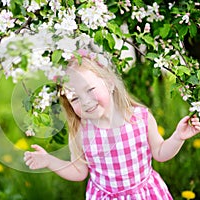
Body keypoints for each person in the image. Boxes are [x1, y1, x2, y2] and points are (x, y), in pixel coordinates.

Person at [23, 52, 200, 199]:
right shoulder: (80, 132)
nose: (85, 101)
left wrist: (178, 137)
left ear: (109, 82)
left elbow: (160, 153)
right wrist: (49, 160)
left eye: (90, 90)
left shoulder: (139, 118)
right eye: (75, 98)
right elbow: (79, 172)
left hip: (144, 194)